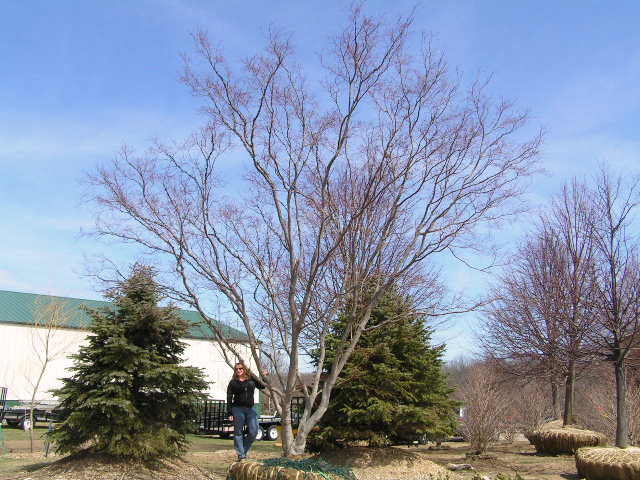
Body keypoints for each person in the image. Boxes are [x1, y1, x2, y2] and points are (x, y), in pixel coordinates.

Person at [226, 362, 266, 461]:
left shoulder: (251, 380)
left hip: (250, 408)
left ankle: (243, 450)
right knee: (238, 432)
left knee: (254, 431)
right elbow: (229, 397)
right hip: (237, 409)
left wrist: (264, 376)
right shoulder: (233, 382)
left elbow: (262, 386)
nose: (238, 370)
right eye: (236, 369)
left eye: (240, 368)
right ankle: (241, 455)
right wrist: (229, 412)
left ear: (244, 370)